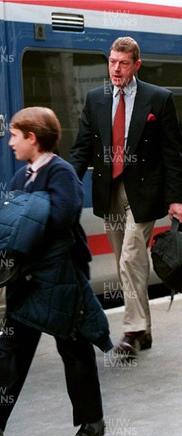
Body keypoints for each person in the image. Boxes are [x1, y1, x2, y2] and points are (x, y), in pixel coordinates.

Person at [0, 107, 112, 436]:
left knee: (73, 348)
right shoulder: (20, 177)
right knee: (11, 350)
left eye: (14, 135)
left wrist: (20, 231)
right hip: (25, 280)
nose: (9, 142)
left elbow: (60, 217)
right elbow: (11, 221)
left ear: (32, 138)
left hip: (60, 278)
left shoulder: (61, 174)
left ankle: (92, 420)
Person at [70, 36, 182, 358]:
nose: (115, 69)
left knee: (132, 255)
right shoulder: (96, 99)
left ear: (136, 65)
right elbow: (81, 148)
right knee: (124, 261)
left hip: (144, 191)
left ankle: (131, 332)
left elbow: (173, 153)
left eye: (122, 63)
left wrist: (176, 198)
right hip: (110, 191)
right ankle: (144, 331)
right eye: (111, 62)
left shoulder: (158, 99)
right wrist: (64, 183)